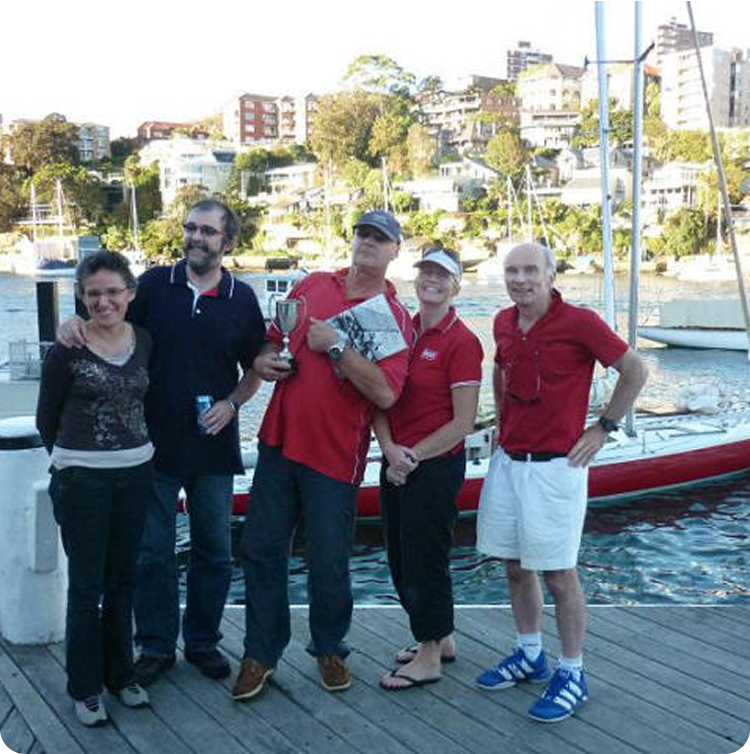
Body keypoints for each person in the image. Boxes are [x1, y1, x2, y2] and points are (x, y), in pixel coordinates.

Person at [57, 200, 266, 687]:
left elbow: (257, 364)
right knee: (152, 552)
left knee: (214, 551)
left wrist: (233, 404)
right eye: (191, 228)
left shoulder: (241, 298)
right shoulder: (152, 285)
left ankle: (201, 642)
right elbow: (105, 320)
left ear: (227, 243)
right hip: (149, 444)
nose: (196, 237)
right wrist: (72, 326)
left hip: (213, 445)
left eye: (208, 231)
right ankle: (154, 645)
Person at [232, 210, 413, 701]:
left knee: (329, 560)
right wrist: (266, 359)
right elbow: (274, 339)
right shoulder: (311, 284)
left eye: (381, 239)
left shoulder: (392, 317)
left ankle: (330, 647)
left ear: (395, 251)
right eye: (363, 234)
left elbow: (387, 394)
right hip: (278, 443)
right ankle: (259, 654)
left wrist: (337, 348)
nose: (368, 244)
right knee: (261, 551)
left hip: (336, 456)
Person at [474, 242, 647, 722]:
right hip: (509, 460)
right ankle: (530, 654)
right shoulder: (504, 322)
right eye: (512, 271)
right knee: (512, 565)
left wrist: (604, 427)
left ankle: (572, 672)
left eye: (531, 270)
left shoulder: (581, 323)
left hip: (557, 467)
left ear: (551, 275)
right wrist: (499, 428)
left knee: (558, 574)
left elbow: (635, 370)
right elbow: (500, 373)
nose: (521, 279)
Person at [37, 251, 153, 726]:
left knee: (123, 581)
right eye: (93, 294)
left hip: (136, 474)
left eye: (112, 292)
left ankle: (120, 674)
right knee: (86, 587)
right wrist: (73, 461)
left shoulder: (143, 339)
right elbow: (48, 417)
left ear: (129, 294)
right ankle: (85, 688)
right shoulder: (67, 349)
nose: (103, 301)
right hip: (82, 479)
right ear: (82, 298)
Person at [374, 247, 483, 691]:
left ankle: (429, 656)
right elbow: (378, 394)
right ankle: (440, 637)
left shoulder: (463, 342)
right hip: (395, 457)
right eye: (426, 272)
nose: (431, 281)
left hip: (433, 464)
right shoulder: (401, 328)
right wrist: (388, 449)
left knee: (426, 559)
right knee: (400, 557)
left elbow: (463, 422)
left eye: (442, 275)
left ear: (456, 286)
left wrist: (410, 456)